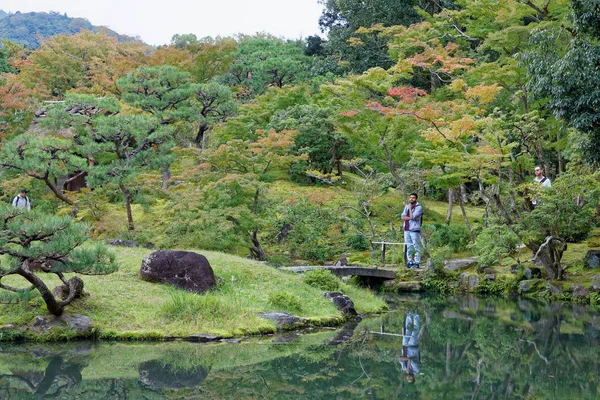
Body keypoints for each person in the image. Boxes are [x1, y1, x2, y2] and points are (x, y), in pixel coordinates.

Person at [401, 193, 422, 268]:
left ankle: (416, 262)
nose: (411, 199)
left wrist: (410, 211)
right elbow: (403, 216)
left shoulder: (418, 207)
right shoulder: (406, 206)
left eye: (413, 198)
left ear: (416, 199)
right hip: (406, 229)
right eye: (410, 197)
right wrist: (411, 217)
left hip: (414, 229)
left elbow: (413, 216)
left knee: (416, 246)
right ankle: (410, 261)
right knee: (409, 246)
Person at [399, 310, 420, 384]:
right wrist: (407, 360)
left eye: (408, 379)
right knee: (415, 330)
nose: (409, 378)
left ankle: (409, 313)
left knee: (408, 330)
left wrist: (406, 360)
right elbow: (411, 360)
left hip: (405, 347)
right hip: (412, 346)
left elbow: (400, 358)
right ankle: (416, 314)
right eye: (410, 379)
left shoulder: (404, 368)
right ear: (413, 377)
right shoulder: (416, 369)